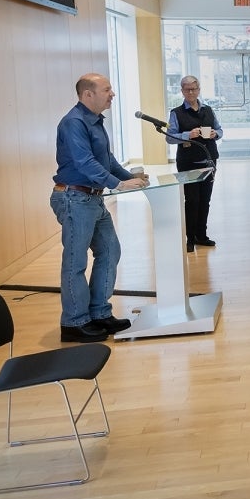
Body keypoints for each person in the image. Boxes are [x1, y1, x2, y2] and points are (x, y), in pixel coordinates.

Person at [51, 74, 147, 343]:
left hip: (93, 198)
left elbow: (107, 160)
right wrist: (118, 184)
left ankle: (99, 313)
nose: (112, 94)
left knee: (109, 250)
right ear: (87, 94)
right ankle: (74, 322)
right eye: (107, 90)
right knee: (76, 262)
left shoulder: (95, 121)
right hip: (74, 199)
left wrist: (130, 178)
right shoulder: (74, 123)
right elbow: (85, 163)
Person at [167, 76, 223, 252]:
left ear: (199, 89)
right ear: (182, 91)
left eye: (194, 89)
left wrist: (216, 134)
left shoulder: (208, 110)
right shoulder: (176, 113)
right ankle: (190, 238)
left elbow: (220, 130)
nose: (191, 92)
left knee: (205, 200)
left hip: (209, 160)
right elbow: (169, 137)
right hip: (188, 162)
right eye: (187, 89)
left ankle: (202, 235)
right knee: (192, 200)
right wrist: (187, 135)